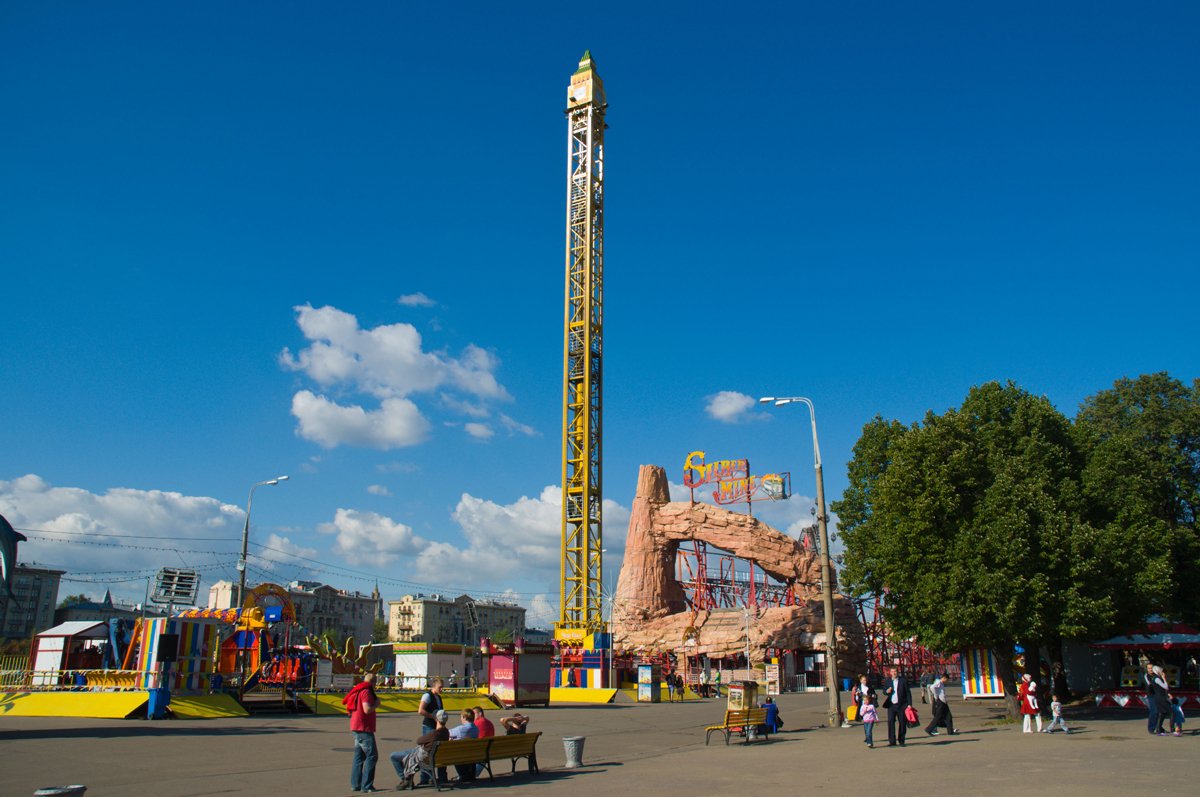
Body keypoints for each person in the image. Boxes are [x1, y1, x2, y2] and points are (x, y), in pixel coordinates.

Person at [392, 709, 449, 790]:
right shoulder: (446, 733)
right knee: (409, 754)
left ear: (436, 719)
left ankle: (406, 779)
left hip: (425, 757)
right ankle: (407, 780)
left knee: (393, 756)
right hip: (435, 757)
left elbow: (419, 741)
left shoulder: (434, 734)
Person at [343, 672, 380, 793]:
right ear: (373, 682)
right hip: (363, 728)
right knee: (372, 755)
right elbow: (367, 709)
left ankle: (355, 784)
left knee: (359, 756)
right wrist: (376, 704)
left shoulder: (359, 690)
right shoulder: (367, 692)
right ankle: (367, 785)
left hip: (356, 726)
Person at [883, 666, 912, 747]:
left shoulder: (903, 680)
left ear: (897, 672)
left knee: (902, 723)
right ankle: (892, 741)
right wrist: (886, 691)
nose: (894, 673)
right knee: (890, 722)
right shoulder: (888, 681)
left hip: (902, 705)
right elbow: (884, 691)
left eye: (895, 671)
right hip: (891, 705)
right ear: (890, 673)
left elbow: (908, 692)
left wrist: (909, 704)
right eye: (892, 671)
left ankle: (901, 740)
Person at [1149, 665, 1172, 736]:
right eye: (1161, 671)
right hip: (1160, 698)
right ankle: (1173, 729)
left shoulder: (1155, 678)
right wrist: (1164, 678)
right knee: (1172, 712)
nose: (1162, 672)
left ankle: (1159, 729)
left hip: (1159, 697)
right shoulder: (1157, 678)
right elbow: (1166, 687)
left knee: (1162, 713)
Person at [1143, 661, 1159, 736]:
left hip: (1159, 695)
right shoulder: (1146, 676)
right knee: (1154, 711)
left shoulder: (1156, 675)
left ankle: (1159, 727)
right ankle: (1151, 728)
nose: (1150, 670)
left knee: (1161, 711)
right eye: (1149, 668)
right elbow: (1150, 685)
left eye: (1151, 668)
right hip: (1151, 695)